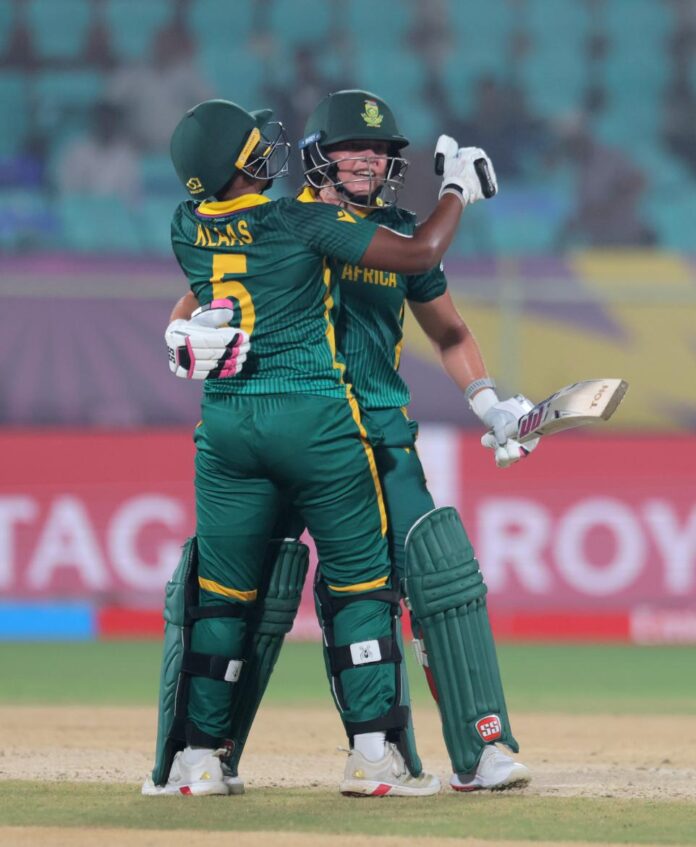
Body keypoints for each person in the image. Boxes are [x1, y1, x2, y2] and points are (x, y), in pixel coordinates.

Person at [173, 90, 533, 794]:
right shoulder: (281, 221)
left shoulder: (394, 230)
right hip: (299, 431)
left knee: (437, 584)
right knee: (247, 596)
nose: (369, 157)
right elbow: (204, 286)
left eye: (382, 150)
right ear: (316, 156)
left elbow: (449, 331)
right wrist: (178, 331)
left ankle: (478, 745)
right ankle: (203, 753)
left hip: (376, 433)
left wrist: (489, 404)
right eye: (351, 147)